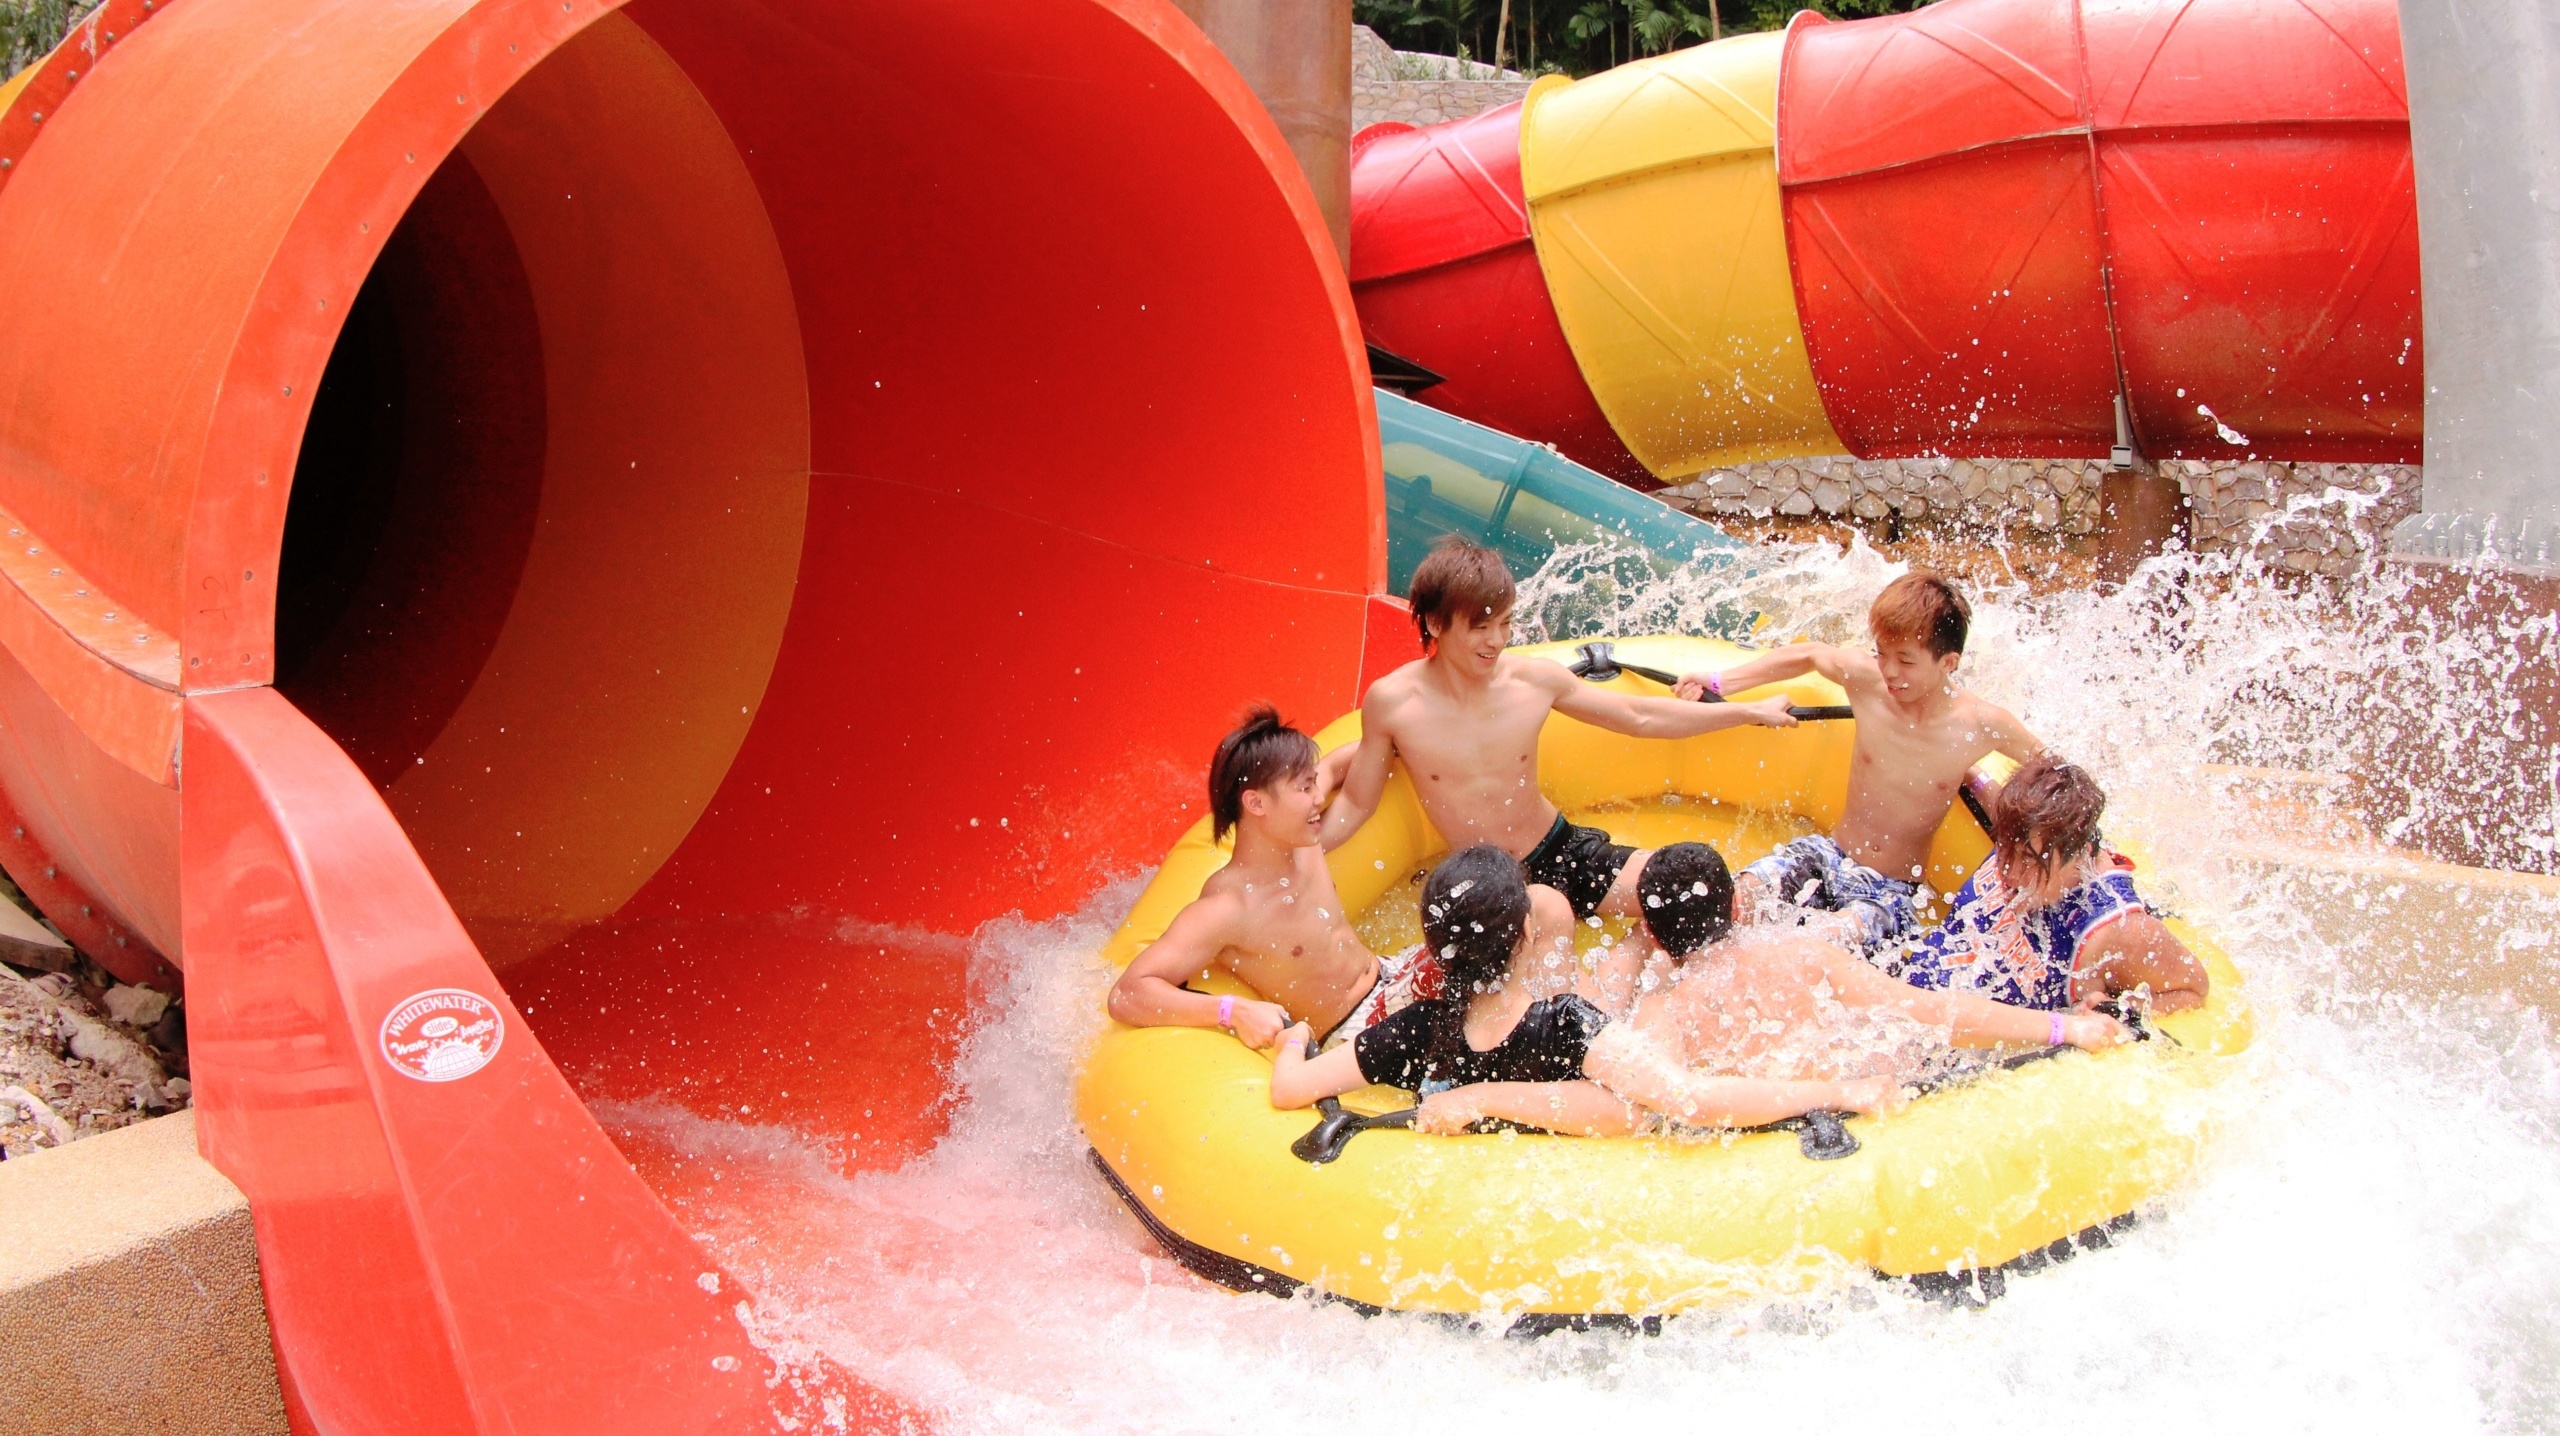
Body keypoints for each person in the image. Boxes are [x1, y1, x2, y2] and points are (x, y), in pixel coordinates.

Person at [1320, 538, 1796, 935]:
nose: (1497, 641)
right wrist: (1301, 844)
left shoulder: (1534, 682)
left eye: (1505, 623)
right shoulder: (1394, 703)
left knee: (1693, 889)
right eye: (1481, 627)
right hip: (1483, 885)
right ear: (1436, 624)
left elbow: (1640, 716)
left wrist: (1748, 711)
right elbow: (1360, 801)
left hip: (1557, 851)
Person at [1579, 842, 2129, 1128]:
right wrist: (2065, 1027)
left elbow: (1686, 1101)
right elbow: (1933, 1011)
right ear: (1737, 904)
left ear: (1651, 930)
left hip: (1789, 1123)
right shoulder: (1805, 956)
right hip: (1876, 1091)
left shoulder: (1661, 1013)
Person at [1672, 570, 2041, 952]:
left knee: (1809, 950)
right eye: (1881, 652)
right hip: (1828, 855)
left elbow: (2055, 771)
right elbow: (1809, 654)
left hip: (1890, 892)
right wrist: (1719, 683)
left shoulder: (1979, 724)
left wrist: (1984, 785)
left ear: (1948, 663)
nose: (1890, 671)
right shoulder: (1869, 681)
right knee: (1722, 903)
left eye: (1906, 661)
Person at [1266, 845, 1655, 1137]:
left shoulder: (1417, 1029)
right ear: (1527, 931)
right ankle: (1648, 936)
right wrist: (1485, 1098)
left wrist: (1296, 1037)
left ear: (1433, 950)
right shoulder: (1562, 1024)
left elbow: (1287, 1089)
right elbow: (1635, 1113)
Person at [1108, 708, 1426, 1053]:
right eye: (1305, 787)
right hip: (1356, 1026)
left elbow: (1334, 767)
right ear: (1256, 803)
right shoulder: (1228, 908)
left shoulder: (1300, 840)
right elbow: (1127, 993)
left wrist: (1408, 739)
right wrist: (1233, 1010)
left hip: (1392, 973)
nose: (1318, 797)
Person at [1891, 753, 2209, 1015]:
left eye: (2029, 861)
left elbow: (2194, 990)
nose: (2010, 873)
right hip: (1902, 994)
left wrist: (2120, 1009)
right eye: (2004, 849)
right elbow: (1965, 767)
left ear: (2080, 854)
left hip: (1957, 1046)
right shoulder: (2022, 827)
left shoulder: (2119, 930)